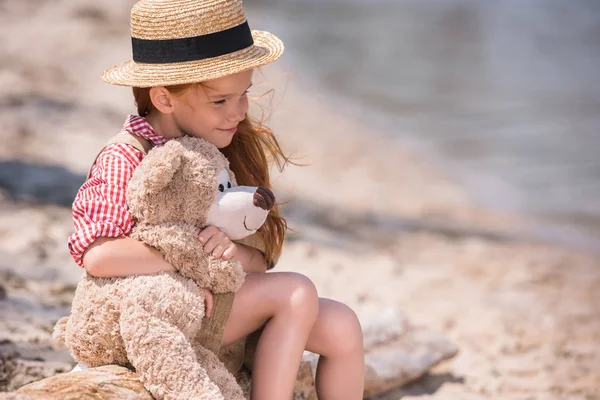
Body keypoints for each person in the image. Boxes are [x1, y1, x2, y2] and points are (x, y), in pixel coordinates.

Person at [67, 0, 364, 398]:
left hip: (214, 299)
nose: (239, 112)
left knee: (342, 326)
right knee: (296, 292)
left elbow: (258, 263)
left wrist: (226, 254)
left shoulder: (219, 149)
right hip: (155, 318)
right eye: (221, 100)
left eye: (244, 94)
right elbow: (99, 256)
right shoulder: (127, 157)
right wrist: (191, 255)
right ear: (164, 99)